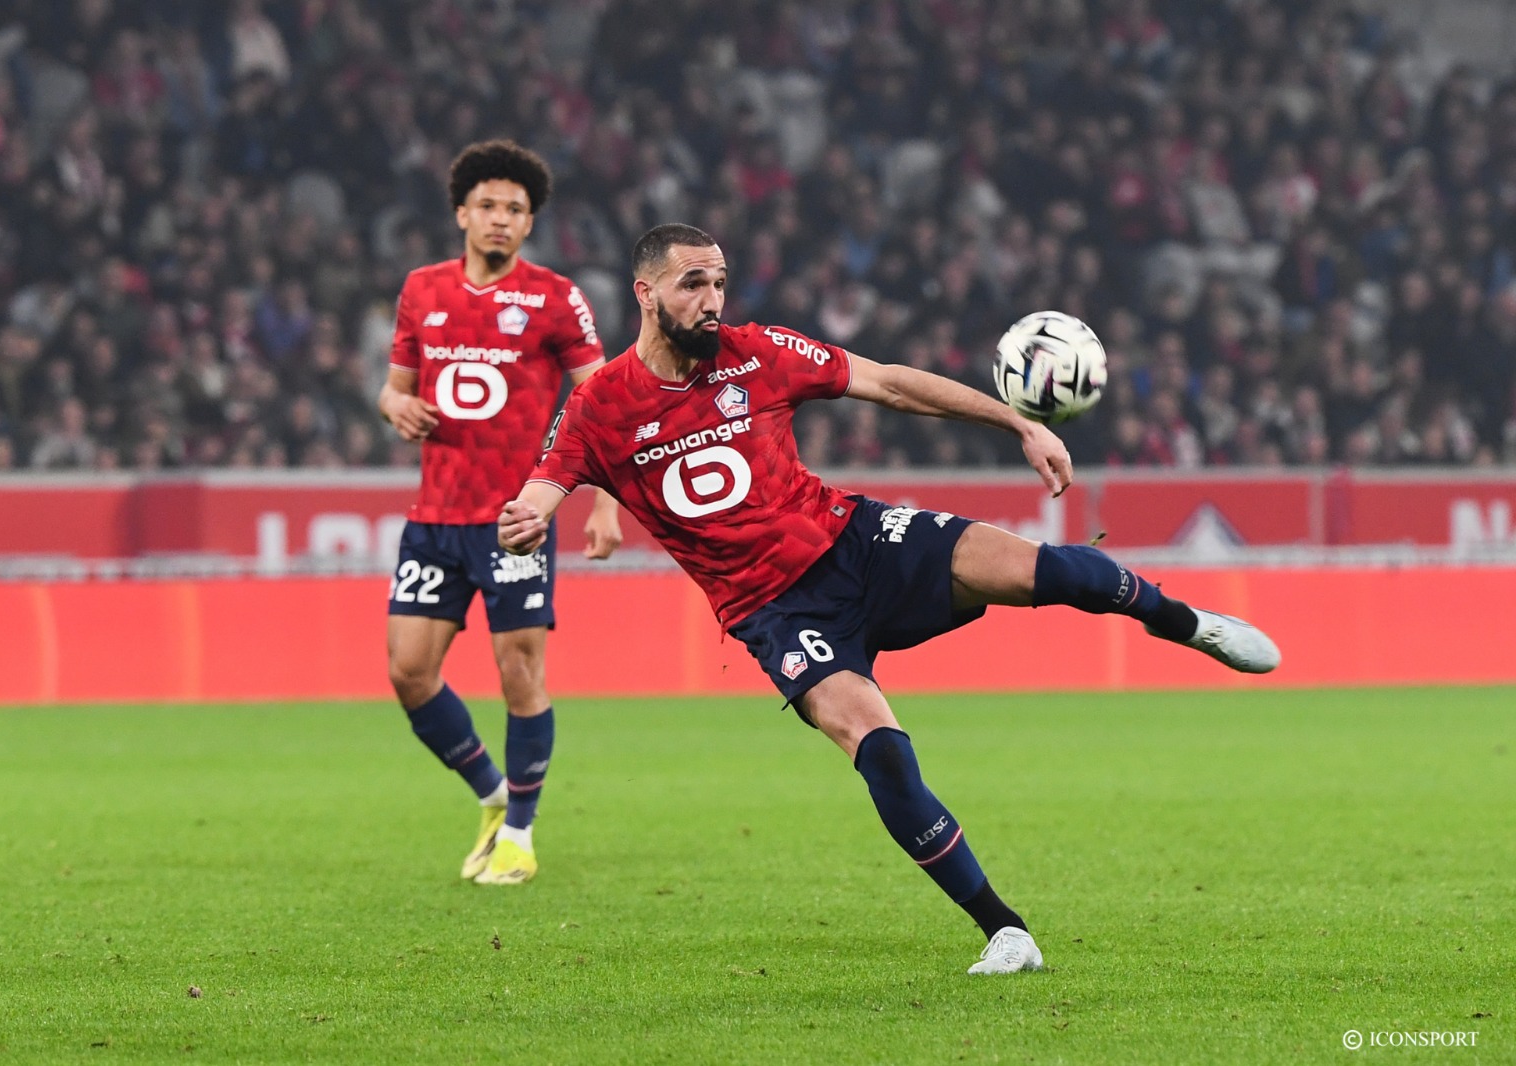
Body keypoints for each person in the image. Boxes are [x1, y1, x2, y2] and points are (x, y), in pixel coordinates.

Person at [498, 223, 1280, 971]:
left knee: (1052, 572)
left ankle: (1192, 624)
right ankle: (1005, 930)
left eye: (721, 283)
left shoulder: (758, 351)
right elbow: (543, 487)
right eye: (693, 283)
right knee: (883, 755)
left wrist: (1018, 424)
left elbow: (890, 384)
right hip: (776, 612)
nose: (712, 299)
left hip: (858, 541)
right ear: (645, 292)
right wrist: (527, 518)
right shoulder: (601, 404)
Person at [379, 140, 622, 886]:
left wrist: (604, 504)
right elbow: (394, 387)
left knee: (519, 672)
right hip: (435, 518)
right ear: (461, 212)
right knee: (408, 672)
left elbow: (607, 402)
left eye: (515, 209)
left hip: (514, 518)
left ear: (528, 223)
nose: (500, 219)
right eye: (487, 205)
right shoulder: (422, 289)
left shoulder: (554, 297)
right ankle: (492, 795)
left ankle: (519, 832)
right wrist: (397, 406)